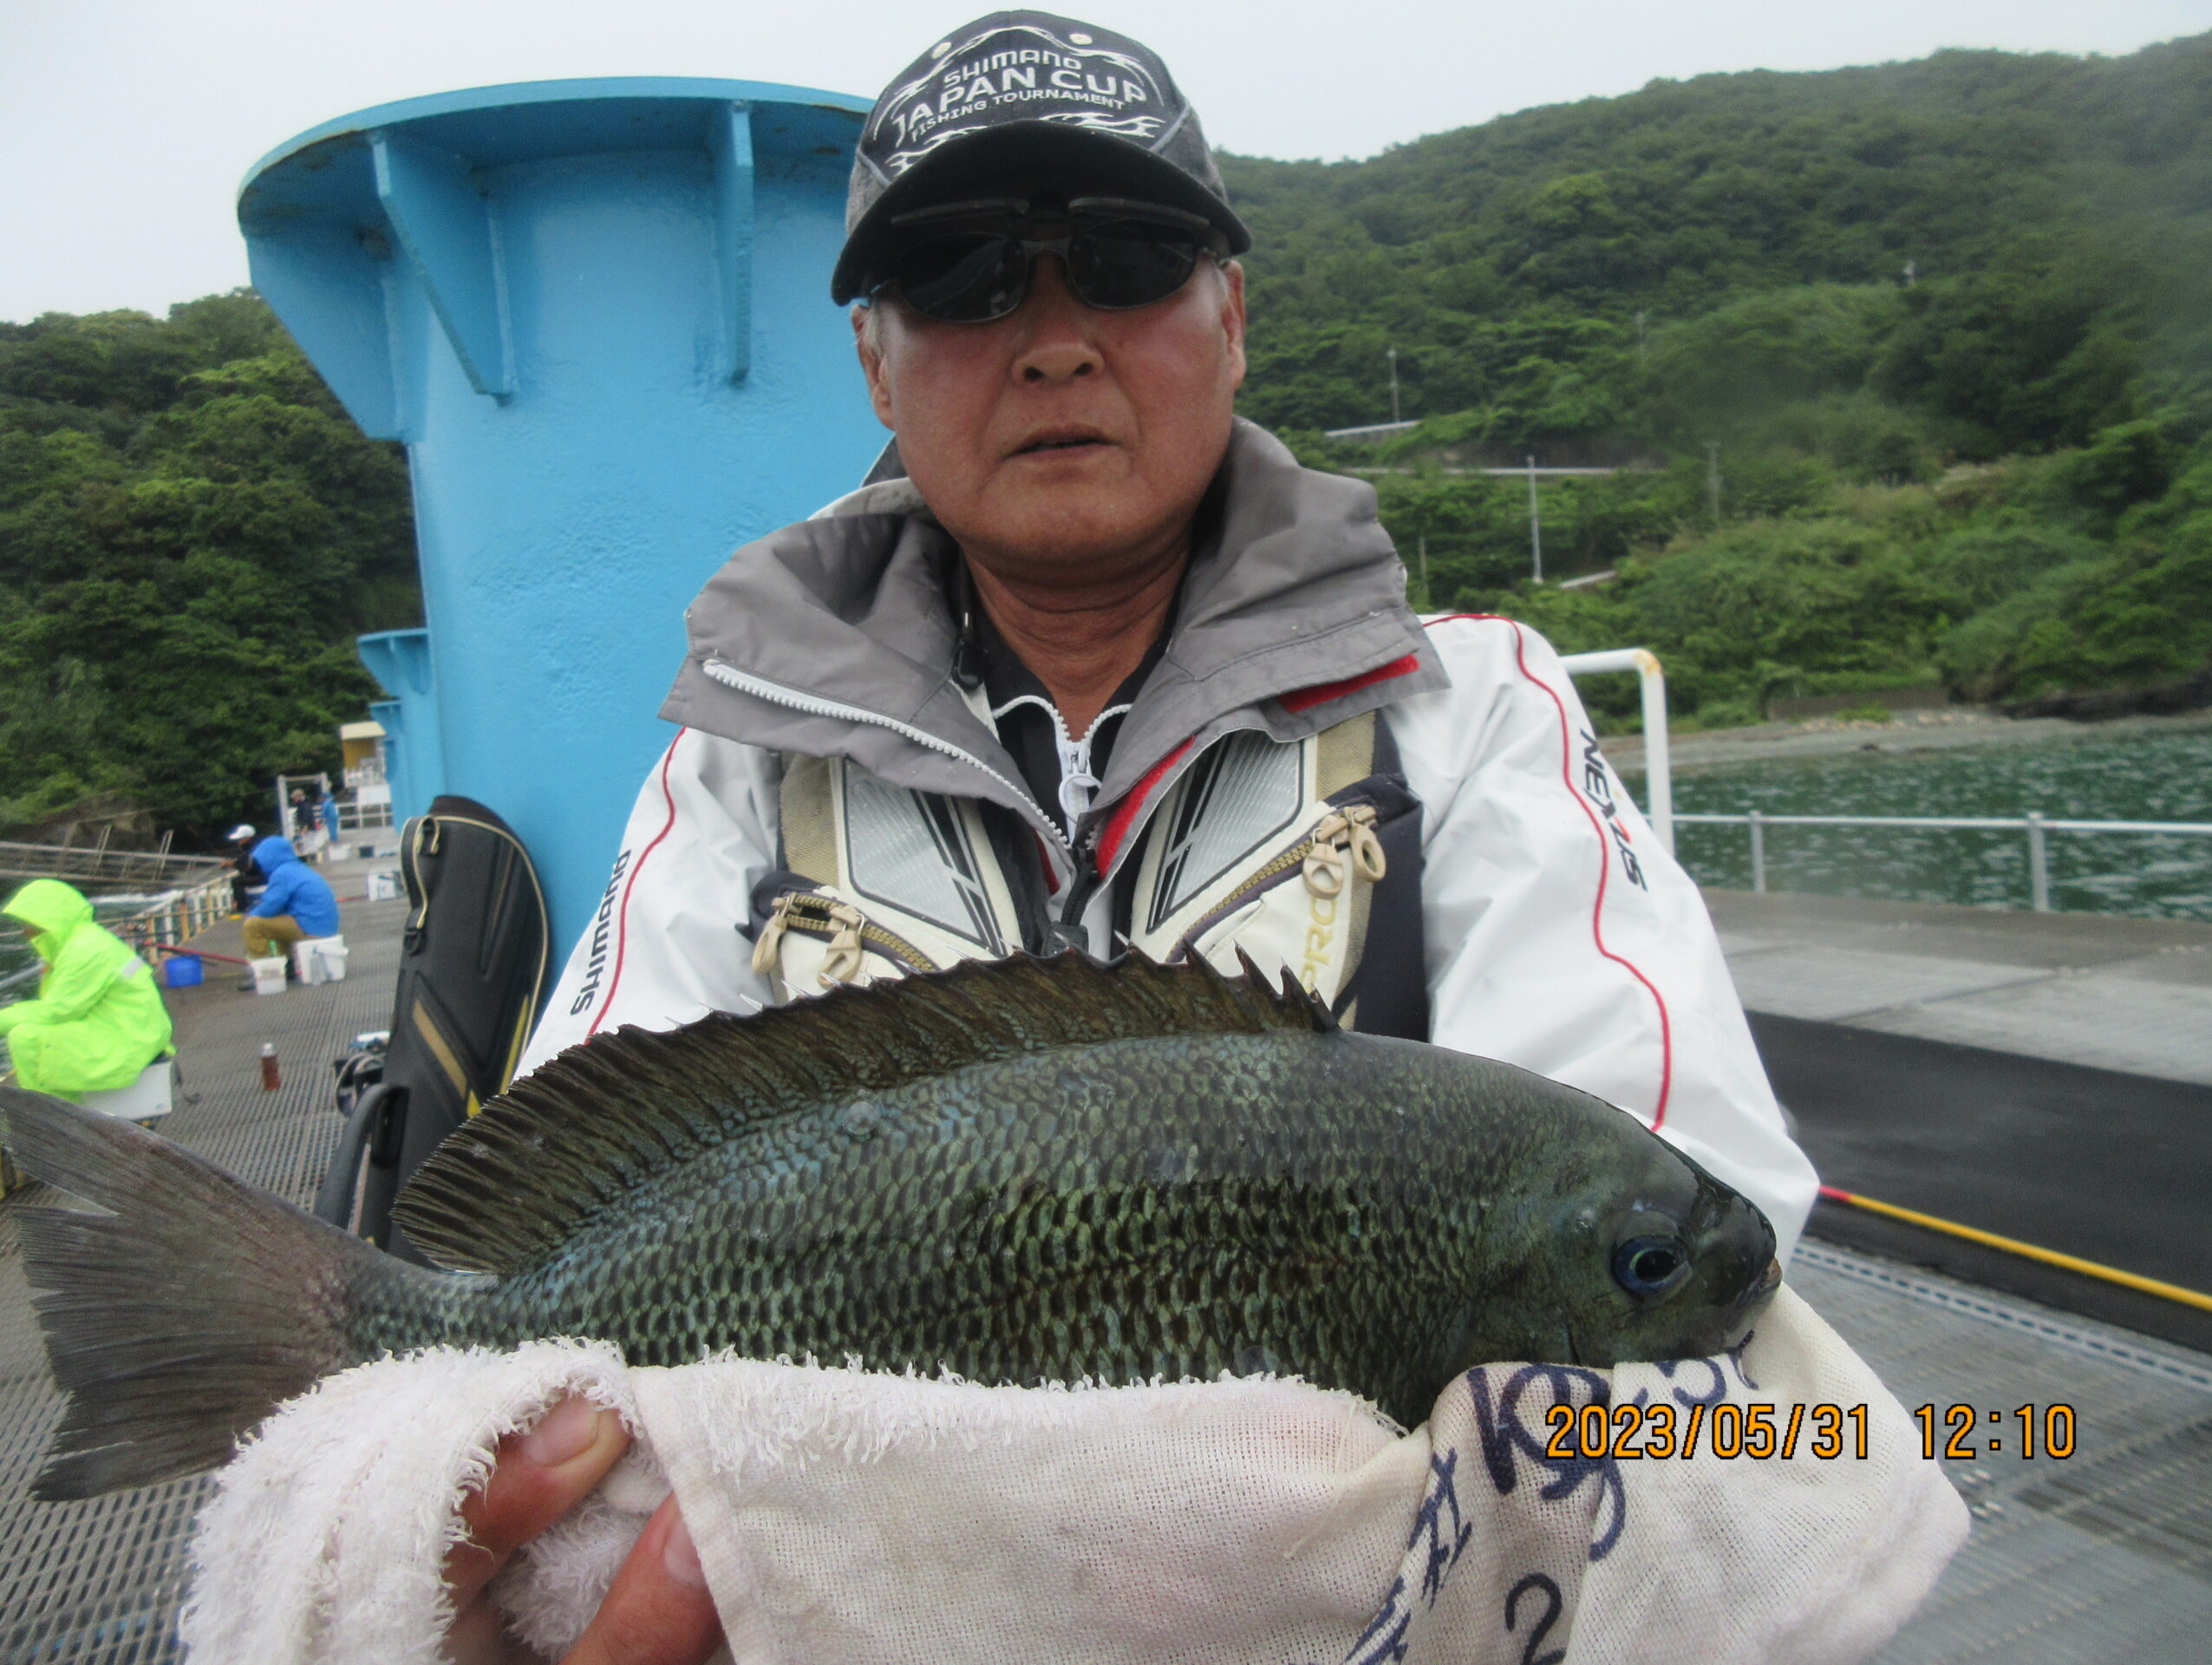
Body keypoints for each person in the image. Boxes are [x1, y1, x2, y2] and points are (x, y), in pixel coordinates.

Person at [438, 13, 1820, 1660]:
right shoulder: (734, 771)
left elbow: (1652, 1306)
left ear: (1231, 320)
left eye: (1130, 255)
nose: (1051, 338)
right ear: (875, 363)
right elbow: (539, 1266)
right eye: (958, 275)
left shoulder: (1479, 713)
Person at [0, 879, 173, 1101]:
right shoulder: (87, 939)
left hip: (129, 1036)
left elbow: (60, 1010)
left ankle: (56, 1121)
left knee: (25, 1037)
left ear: (48, 919)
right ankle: (66, 1113)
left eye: (27, 922)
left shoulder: (84, 950)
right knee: (37, 1033)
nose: (24, 931)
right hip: (136, 1026)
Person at [240, 833, 339, 963]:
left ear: (271, 857)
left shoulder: (282, 873)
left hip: (310, 929)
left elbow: (270, 906)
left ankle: (263, 971)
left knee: (252, 925)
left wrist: (251, 914)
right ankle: (288, 965)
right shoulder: (297, 868)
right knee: (278, 922)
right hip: (325, 926)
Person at [225, 823, 264, 913]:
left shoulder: (252, 848)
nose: (238, 842)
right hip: (265, 874)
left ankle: (241, 908)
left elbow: (248, 867)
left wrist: (233, 865)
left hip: (263, 876)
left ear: (247, 838)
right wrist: (235, 863)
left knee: (236, 881)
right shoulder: (257, 844)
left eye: (240, 839)